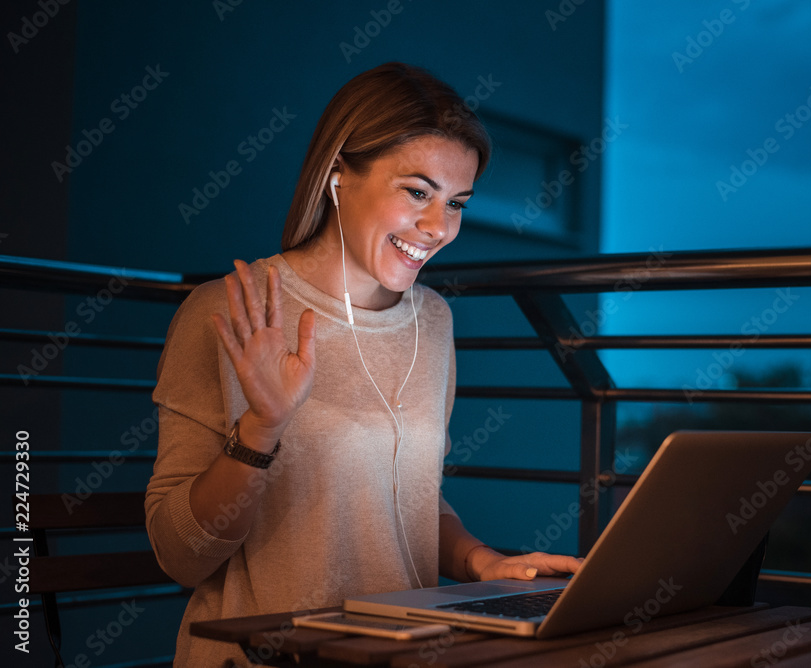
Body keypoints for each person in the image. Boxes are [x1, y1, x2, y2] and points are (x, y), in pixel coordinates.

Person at [145, 62, 582, 667]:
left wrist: (485, 562)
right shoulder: (226, 310)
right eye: (417, 192)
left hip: (399, 654)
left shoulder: (433, 321)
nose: (438, 228)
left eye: (456, 203)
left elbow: (407, 500)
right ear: (337, 177)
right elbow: (179, 555)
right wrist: (261, 430)